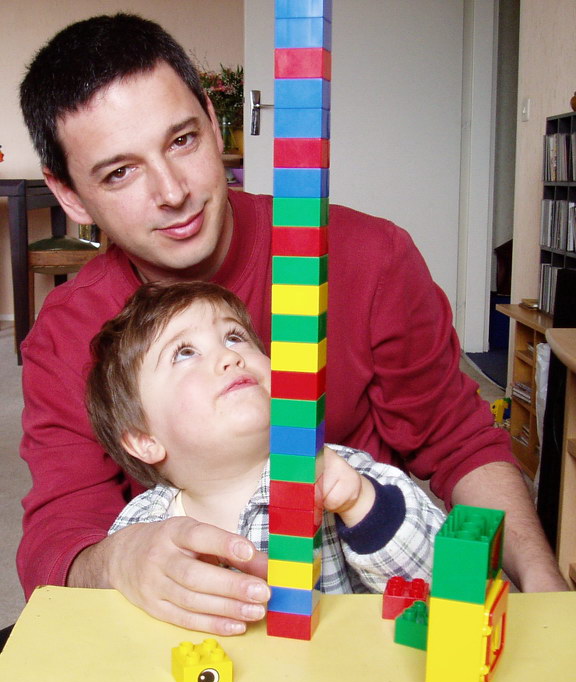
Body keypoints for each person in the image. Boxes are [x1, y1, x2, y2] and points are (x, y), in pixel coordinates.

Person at [16, 14, 566, 635]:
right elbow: (60, 533)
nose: (172, 192)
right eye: (120, 172)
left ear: (212, 119)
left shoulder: (371, 258)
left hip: (354, 627)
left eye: (182, 140)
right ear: (69, 195)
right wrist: (119, 560)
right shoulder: (67, 333)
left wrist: (542, 582)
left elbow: (459, 441)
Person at [86, 280, 445, 602]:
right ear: (144, 440)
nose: (230, 356)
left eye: (234, 337)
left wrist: (361, 503)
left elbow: (445, 584)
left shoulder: (343, 471)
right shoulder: (141, 528)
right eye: (184, 352)